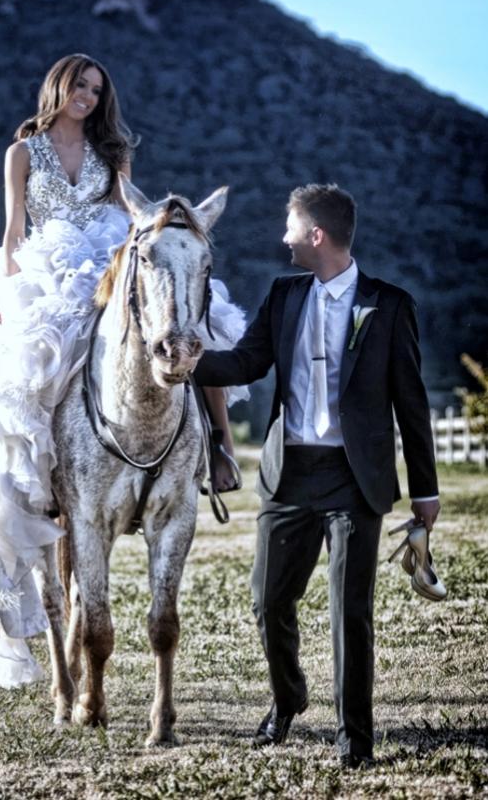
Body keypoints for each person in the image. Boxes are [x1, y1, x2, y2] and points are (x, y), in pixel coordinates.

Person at [0, 53, 246, 688]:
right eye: (80, 86)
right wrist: (4, 303)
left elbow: (133, 219)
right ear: (58, 87)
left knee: (187, 320)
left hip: (108, 256)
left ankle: (221, 449)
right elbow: (14, 232)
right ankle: (43, 478)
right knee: (31, 366)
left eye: (98, 90)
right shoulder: (23, 153)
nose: (89, 98)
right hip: (45, 265)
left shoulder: (114, 152)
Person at [193, 183, 440, 769]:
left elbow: (412, 404)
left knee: (348, 610)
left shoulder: (389, 305)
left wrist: (426, 492)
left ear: (317, 235)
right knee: (267, 599)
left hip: (356, 481)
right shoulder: (283, 296)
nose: (284, 238)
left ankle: (355, 738)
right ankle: (288, 700)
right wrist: (183, 361)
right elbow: (246, 362)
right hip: (289, 475)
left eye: (290, 227)